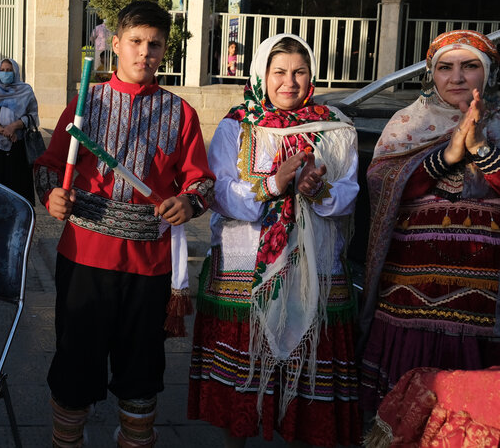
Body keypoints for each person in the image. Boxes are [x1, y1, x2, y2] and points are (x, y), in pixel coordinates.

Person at [34, 0, 215, 448]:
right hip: (84, 259)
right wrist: (51, 195)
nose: (144, 53)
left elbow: (201, 182)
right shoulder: (85, 104)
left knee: (141, 375)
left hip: (149, 267)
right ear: (115, 44)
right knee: (76, 368)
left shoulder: (181, 113)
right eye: (135, 42)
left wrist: (188, 205)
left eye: (155, 45)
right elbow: (48, 165)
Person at [187, 33, 361, 448]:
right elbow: (221, 193)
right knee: (243, 374)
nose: (289, 81)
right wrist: (274, 183)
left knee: (307, 372)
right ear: (261, 75)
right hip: (245, 268)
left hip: (314, 267)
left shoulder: (336, 128)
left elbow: (349, 194)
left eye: (299, 72)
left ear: (312, 76)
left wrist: (317, 190)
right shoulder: (237, 126)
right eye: (278, 71)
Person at [360, 30, 500, 411]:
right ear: (431, 76)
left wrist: (481, 151)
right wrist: (448, 156)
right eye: (445, 68)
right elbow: (382, 186)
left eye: (470, 66)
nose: (456, 78)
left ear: (488, 74)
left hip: (484, 303)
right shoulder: (408, 124)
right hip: (409, 297)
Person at [0, 58, 37, 204]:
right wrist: (3, 130)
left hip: (19, 146)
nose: (5, 73)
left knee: (18, 188)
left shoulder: (26, 91)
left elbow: (33, 118)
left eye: (9, 70)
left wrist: (14, 126)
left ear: (16, 72)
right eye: (2, 70)